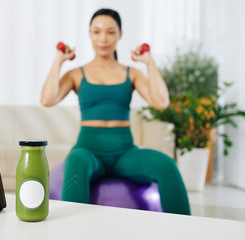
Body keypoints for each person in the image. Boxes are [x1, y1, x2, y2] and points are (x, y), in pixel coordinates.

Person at [41, 8, 190, 215]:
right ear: (90, 34)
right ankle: (73, 233)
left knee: (166, 165)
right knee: (75, 161)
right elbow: (47, 99)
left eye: (111, 32)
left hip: (124, 152)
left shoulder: (131, 73)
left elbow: (161, 101)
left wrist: (149, 62)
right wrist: (59, 60)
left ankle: (186, 230)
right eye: (97, 31)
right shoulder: (77, 74)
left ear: (120, 35)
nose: (103, 38)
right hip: (87, 150)